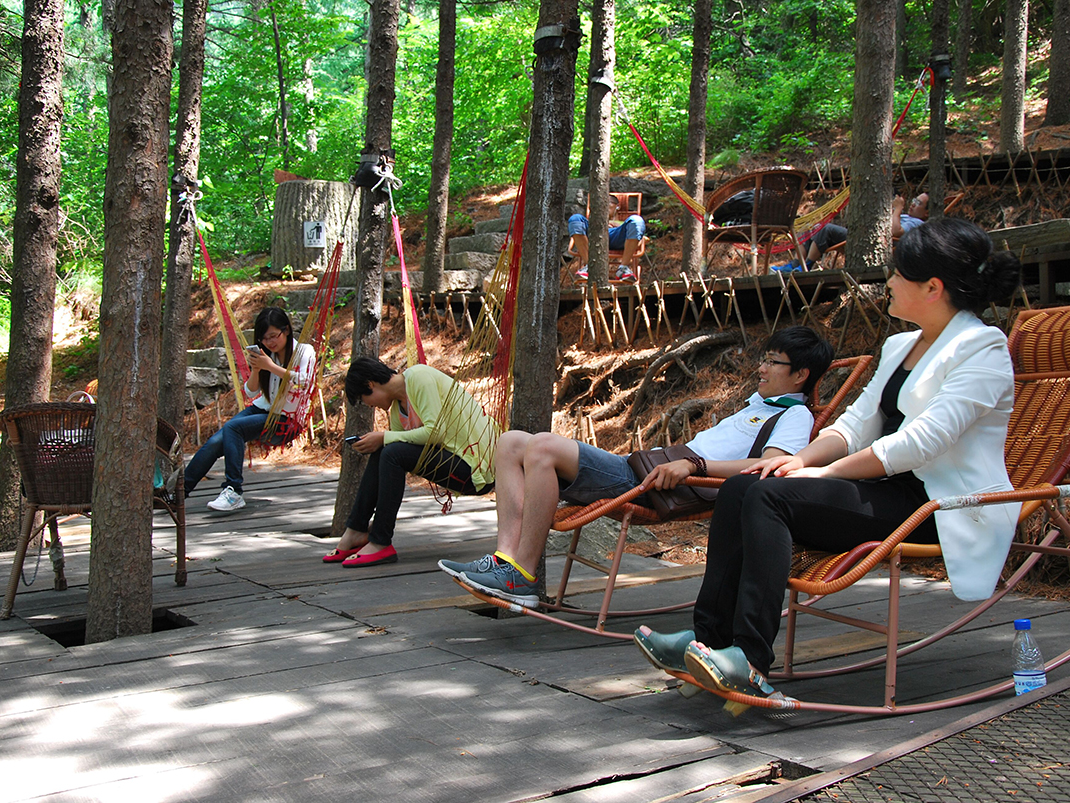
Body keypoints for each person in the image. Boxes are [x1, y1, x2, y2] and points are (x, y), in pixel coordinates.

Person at [636, 218, 1022, 705]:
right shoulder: (900, 345)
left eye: (898, 275)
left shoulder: (981, 349)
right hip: (885, 491)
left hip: (941, 504)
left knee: (771, 497)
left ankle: (749, 661)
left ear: (932, 287)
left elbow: (920, 443)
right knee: (747, 484)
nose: (889, 283)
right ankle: (709, 640)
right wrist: (799, 460)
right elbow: (855, 424)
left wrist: (824, 472)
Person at [438, 327, 835, 608]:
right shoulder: (760, 406)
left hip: (662, 484)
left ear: (800, 374)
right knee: (510, 443)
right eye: (763, 359)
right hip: (651, 468)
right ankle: (505, 562)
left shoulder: (796, 416)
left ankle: (520, 576)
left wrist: (694, 463)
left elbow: (771, 467)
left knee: (541, 446)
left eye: (773, 362)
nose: (761, 368)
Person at [323, 357, 498, 567]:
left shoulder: (419, 377)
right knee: (385, 451)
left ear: (370, 385)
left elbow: (436, 432)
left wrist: (384, 437)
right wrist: (382, 440)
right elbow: (396, 452)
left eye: (364, 400)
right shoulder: (398, 409)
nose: (371, 406)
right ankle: (356, 530)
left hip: (477, 468)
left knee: (390, 449)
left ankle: (380, 541)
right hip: (455, 464)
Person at [185, 307, 316, 512]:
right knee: (214, 442)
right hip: (263, 409)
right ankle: (178, 493)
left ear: (287, 330)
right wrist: (257, 369)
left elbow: (305, 383)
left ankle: (233, 490)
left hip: (286, 419)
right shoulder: (267, 355)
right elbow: (250, 390)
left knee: (233, 428)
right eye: (265, 338)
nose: (270, 342)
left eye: (274, 336)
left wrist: (270, 366)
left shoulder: (305, 351)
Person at [772, 193, 930, 272]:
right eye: (914, 200)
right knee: (813, 228)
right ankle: (794, 265)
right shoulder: (906, 216)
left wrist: (898, 209)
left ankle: (806, 266)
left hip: (873, 244)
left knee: (826, 228)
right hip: (868, 236)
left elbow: (896, 231)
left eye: (919, 203)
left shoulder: (917, 223)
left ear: (926, 213)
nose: (913, 204)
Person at [569, 194, 645, 283]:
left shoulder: (627, 224)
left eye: (608, 202)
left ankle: (623, 269)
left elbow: (638, 235)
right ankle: (590, 267)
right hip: (595, 235)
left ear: (617, 206)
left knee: (637, 220)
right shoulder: (591, 223)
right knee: (575, 219)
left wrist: (618, 225)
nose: (604, 204)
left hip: (618, 236)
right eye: (600, 202)